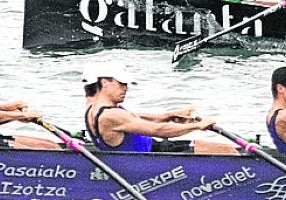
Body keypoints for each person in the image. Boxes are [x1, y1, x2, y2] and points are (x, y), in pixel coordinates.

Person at [83, 65, 234, 154]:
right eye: (122, 84)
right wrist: (197, 125)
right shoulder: (111, 115)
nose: (126, 89)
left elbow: (139, 119)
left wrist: (170, 115)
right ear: (104, 82)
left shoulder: (93, 107)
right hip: (154, 157)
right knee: (228, 151)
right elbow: (159, 130)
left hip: (153, 151)